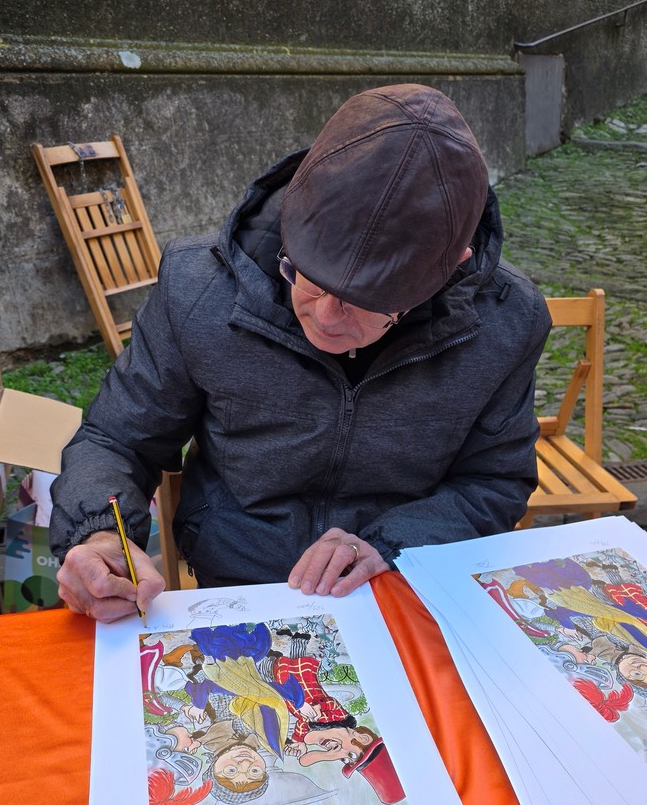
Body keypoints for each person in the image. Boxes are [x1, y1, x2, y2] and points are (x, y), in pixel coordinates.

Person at [51, 83, 551, 622]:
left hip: (401, 580)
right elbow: (118, 439)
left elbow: (494, 481)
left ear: (452, 266)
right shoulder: (198, 287)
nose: (327, 316)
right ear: (294, 214)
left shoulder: (508, 320)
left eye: (368, 300)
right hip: (239, 580)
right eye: (307, 276)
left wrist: (391, 543)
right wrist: (98, 534)